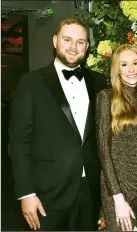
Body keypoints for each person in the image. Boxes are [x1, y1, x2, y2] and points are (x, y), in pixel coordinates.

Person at [9, 18, 107, 231]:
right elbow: (19, 142)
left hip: (88, 192)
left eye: (80, 42)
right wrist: (27, 193)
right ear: (55, 41)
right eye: (67, 39)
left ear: (87, 47)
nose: (73, 47)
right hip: (46, 196)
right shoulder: (31, 82)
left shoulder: (99, 82)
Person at [95, 44, 137, 231]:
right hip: (118, 187)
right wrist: (117, 198)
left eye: (135, 63)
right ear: (117, 70)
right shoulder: (106, 97)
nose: (131, 69)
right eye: (124, 64)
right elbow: (103, 151)